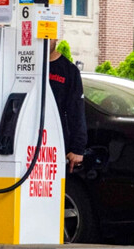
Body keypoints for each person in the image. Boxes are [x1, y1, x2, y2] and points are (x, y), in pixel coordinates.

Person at [48, 39, 87, 173]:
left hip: (56, 146)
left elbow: (76, 111)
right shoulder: (26, 65)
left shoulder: (69, 71)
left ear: (56, 37)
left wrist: (77, 149)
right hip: (25, 144)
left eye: (49, 36)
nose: (45, 39)